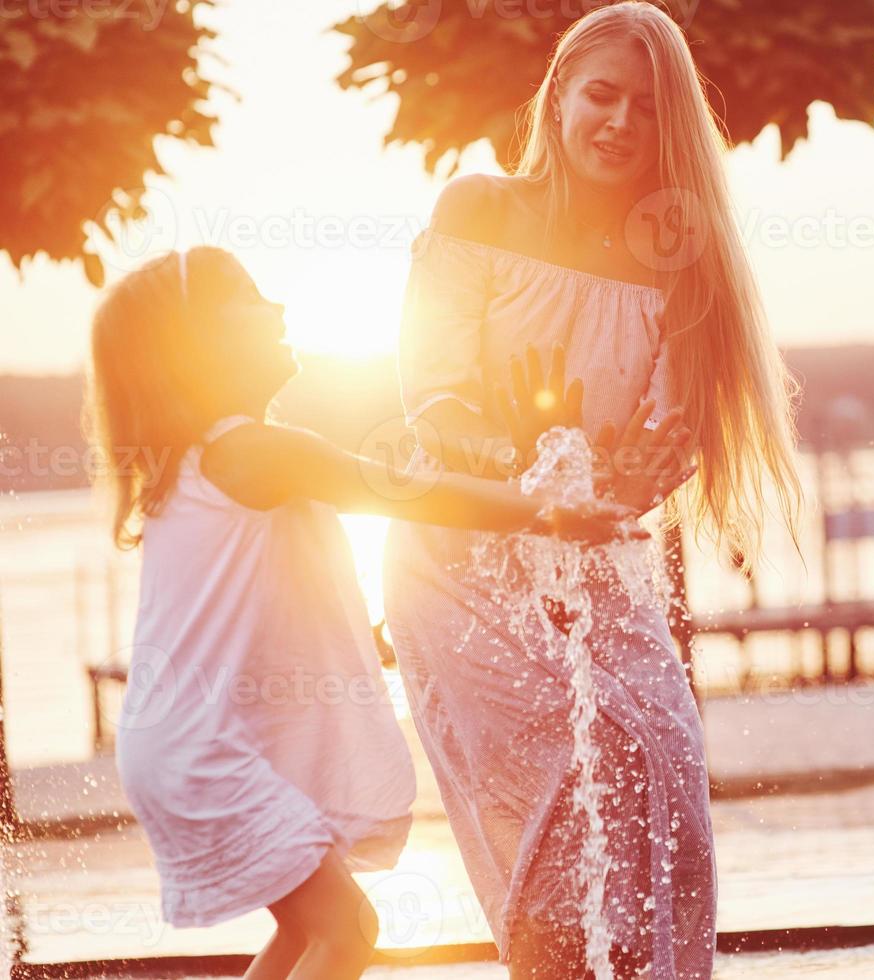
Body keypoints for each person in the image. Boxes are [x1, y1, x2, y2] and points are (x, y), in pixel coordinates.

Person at [382, 3, 806, 977]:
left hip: (596, 548)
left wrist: (657, 460)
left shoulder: (673, 250)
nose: (619, 123)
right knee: (563, 815)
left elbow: (671, 429)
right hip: (461, 554)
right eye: (601, 95)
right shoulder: (478, 208)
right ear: (560, 92)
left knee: (664, 776)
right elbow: (432, 395)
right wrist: (522, 455)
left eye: (648, 109)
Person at [88, 246, 636, 979]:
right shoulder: (251, 452)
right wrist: (548, 509)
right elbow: (399, 487)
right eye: (250, 299)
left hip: (177, 747)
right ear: (198, 349)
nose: (277, 309)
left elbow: (276, 608)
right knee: (348, 934)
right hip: (199, 752)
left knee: (306, 936)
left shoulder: (198, 465)